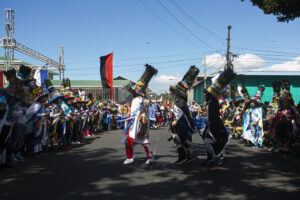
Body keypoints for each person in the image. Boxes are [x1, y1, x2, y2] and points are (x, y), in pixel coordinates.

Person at [123, 64, 158, 165]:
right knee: (140, 140)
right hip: (138, 121)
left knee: (131, 139)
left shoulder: (138, 100)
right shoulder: (138, 99)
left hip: (137, 123)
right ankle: (140, 157)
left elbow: (137, 112)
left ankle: (131, 157)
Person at [203, 66, 235, 166]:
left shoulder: (214, 102)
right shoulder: (210, 102)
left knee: (218, 140)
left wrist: (211, 122)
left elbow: (216, 114)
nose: (204, 95)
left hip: (215, 125)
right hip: (211, 125)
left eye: (206, 94)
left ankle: (221, 157)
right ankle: (210, 159)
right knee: (208, 141)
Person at [169, 66, 199, 164]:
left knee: (180, 140)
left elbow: (179, 112)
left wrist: (176, 120)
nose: (173, 94)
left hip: (181, 125)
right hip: (182, 124)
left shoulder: (180, 101)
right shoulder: (179, 100)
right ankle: (188, 156)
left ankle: (183, 157)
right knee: (184, 140)